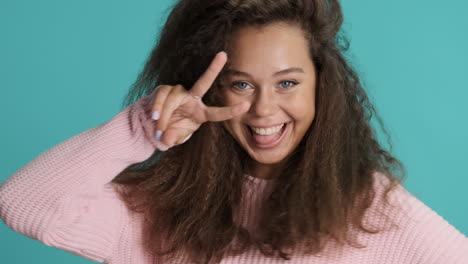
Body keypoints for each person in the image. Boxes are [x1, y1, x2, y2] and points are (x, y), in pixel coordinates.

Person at [1, 0, 467, 263]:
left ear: (323, 87)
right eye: (241, 83)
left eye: (287, 83)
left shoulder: (367, 207)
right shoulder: (161, 210)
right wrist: (147, 126)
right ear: (209, 91)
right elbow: (23, 204)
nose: (264, 108)